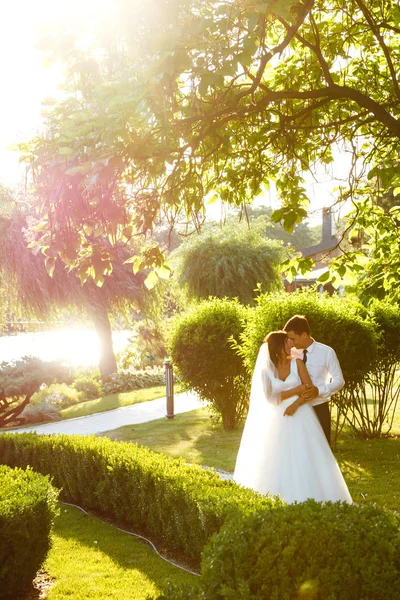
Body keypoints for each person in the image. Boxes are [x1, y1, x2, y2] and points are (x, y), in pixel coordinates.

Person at [233, 331, 352, 504]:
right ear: (278, 346)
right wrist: (296, 391)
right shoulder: (266, 369)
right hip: (275, 418)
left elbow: (309, 389)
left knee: (304, 454)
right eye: (287, 342)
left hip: (300, 414)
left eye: (291, 340)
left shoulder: (297, 363)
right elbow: (271, 397)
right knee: (276, 457)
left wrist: (295, 404)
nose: (291, 344)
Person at [283, 315, 344, 446]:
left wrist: (319, 391)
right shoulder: (289, 354)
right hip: (295, 410)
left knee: (322, 450)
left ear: (304, 335)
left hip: (319, 409)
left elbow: (339, 381)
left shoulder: (327, 352)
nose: (291, 343)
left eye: (293, 338)